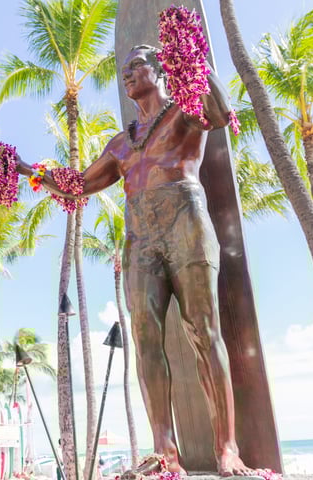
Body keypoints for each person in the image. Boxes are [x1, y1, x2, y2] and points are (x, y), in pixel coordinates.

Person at [16, 44, 251, 477]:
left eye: (136, 66)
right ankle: (166, 454)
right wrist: (23, 167)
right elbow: (77, 185)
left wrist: (194, 52)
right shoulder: (122, 143)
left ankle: (228, 450)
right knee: (144, 341)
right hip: (140, 235)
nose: (127, 75)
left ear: (161, 70)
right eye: (123, 71)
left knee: (204, 331)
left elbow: (219, 113)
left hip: (186, 222)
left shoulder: (184, 110)